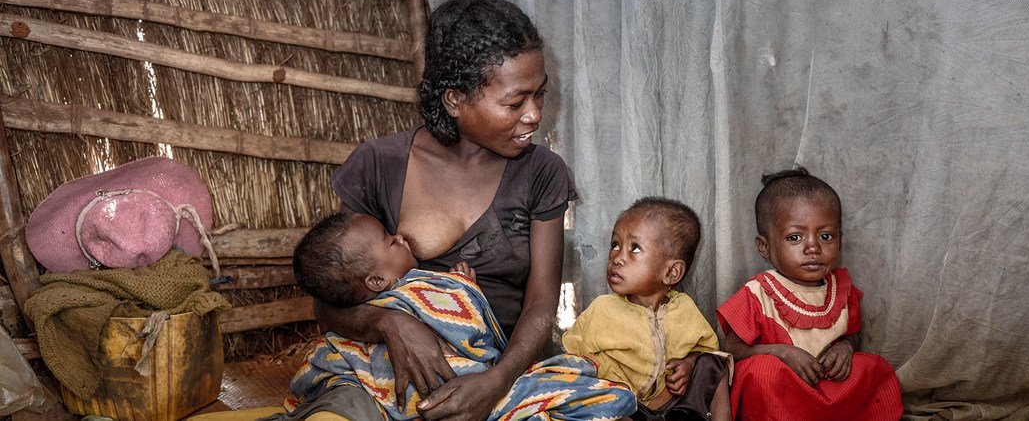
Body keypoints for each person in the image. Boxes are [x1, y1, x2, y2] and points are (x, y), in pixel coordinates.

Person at [315, 0, 581, 421]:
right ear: (455, 100)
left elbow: (541, 302)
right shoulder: (380, 165)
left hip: (503, 370)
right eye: (515, 102)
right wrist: (390, 324)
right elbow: (330, 296)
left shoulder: (542, 172)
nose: (534, 115)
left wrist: (495, 383)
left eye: (540, 95)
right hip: (394, 369)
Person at [281, 211, 636, 420]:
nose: (401, 236)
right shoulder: (409, 291)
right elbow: (466, 333)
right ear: (376, 281)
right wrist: (463, 292)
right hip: (441, 385)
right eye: (391, 241)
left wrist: (460, 287)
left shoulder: (408, 285)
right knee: (579, 390)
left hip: (476, 380)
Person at [716, 167, 902, 420]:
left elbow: (853, 334)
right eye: (795, 237)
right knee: (760, 372)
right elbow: (732, 348)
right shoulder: (758, 292)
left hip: (828, 384)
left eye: (826, 236)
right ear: (765, 246)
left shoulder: (841, 288)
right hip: (782, 392)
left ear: (840, 240)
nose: (813, 247)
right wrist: (781, 353)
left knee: (873, 366)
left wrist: (845, 348)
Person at [562, 197, 732, 421]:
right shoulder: (603, 310)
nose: (617, 258)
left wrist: (689, 364)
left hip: (675, 403)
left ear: (671, 272)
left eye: (635, 248)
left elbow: (704, 346)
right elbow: (573, 357)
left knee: (714, 365)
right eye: (615, 245)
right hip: (627, 410)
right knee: (597, 398)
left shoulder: (683, 308)